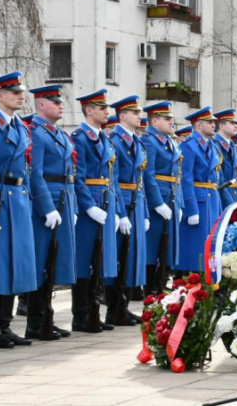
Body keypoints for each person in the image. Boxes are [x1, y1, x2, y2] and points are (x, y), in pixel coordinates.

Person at [0, 72, 38, 348]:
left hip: (19, 200)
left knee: (15, 265)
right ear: (0, 95)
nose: (20, 96)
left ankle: (5, 324)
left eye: (20, 91)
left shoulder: (20, 127)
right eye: (14, 92)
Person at [25, 85, 76, 340]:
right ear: (41, 104)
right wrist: (46, 207)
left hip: (64, 200)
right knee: (42, 262)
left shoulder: (58, 134)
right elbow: (35, 174)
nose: (60, 105)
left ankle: (47, 317)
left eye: (60, 101)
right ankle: (36, 321)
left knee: (53, 263)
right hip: (48, 203)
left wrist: (72, 206)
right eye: (54, 101)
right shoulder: (36, 132)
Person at [70, 89, 121, 332]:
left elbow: (113, 178)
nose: (106, 112)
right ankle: (81, 314)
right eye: (101, 108)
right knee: (84, 262)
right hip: (90, 203)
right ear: (89, 110)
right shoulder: (80, 137)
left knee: (99, 260)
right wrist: (89, 206)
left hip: (106, 201)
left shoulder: (105, 139)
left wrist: (117, 209)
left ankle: (93, 311)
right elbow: (77, 178)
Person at [105, 96, 144, 325]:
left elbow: (140, 179)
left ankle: (125, 306)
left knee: (131, 257)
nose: (139, 116)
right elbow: (114, 179)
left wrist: (145, 212)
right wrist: (120, 212)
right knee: (118, 256)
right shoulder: (115, 140)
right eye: (135, 112)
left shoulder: (136, 141)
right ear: (122, 116)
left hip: (136, 200)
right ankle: (114, 308)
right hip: (123, 200)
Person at [175, 107, 222, 275]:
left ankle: (208, 280)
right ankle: (193, 281)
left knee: (211, 246)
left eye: (213, 122)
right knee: (196, 248)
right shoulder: (189, 146)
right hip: (198, 200)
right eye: (209, 122)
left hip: (211, 200)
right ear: (198, 124)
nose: (213, 125)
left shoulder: (212, 146)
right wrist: (191, 208)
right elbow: (185, 179)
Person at [141, 102, 181, 295]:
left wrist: (178, 202)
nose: (171, 121)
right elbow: (148, 174)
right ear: (154, 121)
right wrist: (157, 203)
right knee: (153, 246)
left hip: (171, 195)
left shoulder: (168, 141)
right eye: (167, 119)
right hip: (157, 197)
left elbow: (176, 175)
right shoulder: (149, 140)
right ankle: (150, 289)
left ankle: (160, 285)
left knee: (166, 245)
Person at [212, 109, 237, 206]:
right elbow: (219, 180)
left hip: (236, 196)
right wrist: (229, 202)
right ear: (221, 126)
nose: (236, 126)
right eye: (232, 123)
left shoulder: (234, 147)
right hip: (223, 199)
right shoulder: (215, 145)